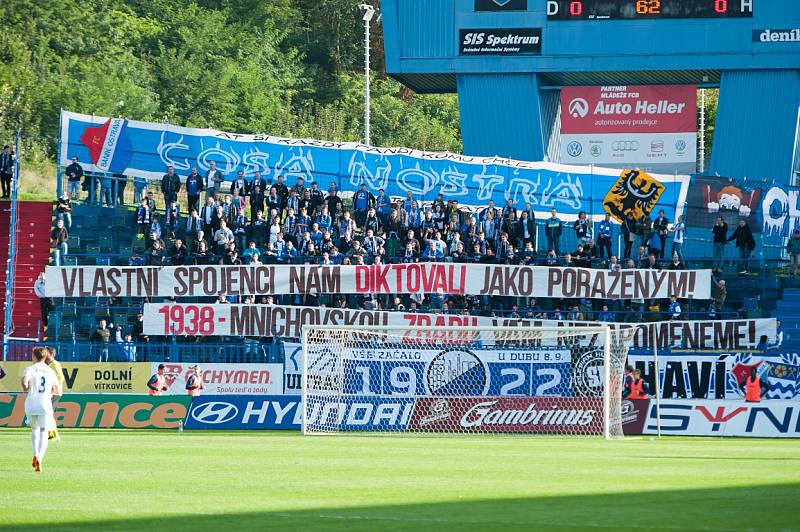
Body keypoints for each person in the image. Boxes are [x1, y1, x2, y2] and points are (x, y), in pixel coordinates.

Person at [21, 346, 62, 472]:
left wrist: (26, 387)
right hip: (45, 404)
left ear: (34, 356)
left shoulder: (30, 369)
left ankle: (35, 453)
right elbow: (57, 390)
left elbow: (24, 381)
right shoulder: (50, 371)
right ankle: (40, 458)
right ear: (45, 357)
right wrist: (48, 391)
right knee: (44, 431)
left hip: (31, 403)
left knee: (34, 429)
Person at [44, 347, 65, 441]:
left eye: (46, 353)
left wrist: (53, 388)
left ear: (51, 354)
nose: (44, 354)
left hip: (54, 393)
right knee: (48, 413)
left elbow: (61, 378)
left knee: (48, 413)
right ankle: (52, 433)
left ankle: (53, 434)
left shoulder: (55, 364)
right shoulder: (49, 364)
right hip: (52, 393)